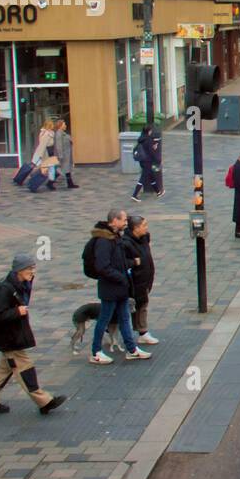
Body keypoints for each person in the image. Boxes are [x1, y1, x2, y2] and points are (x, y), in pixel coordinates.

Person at [0, 253, 67, 415]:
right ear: (19, 270)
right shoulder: (6, 290)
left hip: (11, 336)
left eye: (33, 268)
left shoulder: (18, 285)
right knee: (25, 369)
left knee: (5, 369)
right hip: (9, 339)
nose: (32, 272)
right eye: (29, 269)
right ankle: (44, 401)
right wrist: (16, 312)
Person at [87, 208, 149, 364]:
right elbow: (103, 266)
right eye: (123, 220)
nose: (126, 223)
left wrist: (130, 265)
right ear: (114, 220)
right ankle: (96, 352)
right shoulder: (103, 240)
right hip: (110, 288)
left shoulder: (115, 237)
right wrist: (120, 277)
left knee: (125, 318)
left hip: (120, 287)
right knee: (104, 319)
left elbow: (119, 261)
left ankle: (131, 349)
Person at [123, 214, 158, 345]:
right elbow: (122, 262)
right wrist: (134, 262)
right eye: (144, 225)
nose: (146, 228)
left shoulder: (143, 238)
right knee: (132, 307)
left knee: (142, 305)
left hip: (145, 279)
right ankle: (110, 331)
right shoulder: (126, 243)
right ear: (136, 228)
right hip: (134, 282)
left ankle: (142, 332)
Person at [131, 125, 163, 200]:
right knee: (143, 178)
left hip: (142, 160)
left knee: (151, 176)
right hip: (148, 161)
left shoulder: (141, 139)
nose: (151, 132)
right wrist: (158, 159)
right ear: (148, 131)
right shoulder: (148, 140)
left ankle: (158, 192)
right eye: (151, 131)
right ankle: (134, 195)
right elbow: (151, 152)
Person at [54, 118, 77, 189]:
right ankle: (50, 181)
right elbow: (59, 145)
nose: (66, 125)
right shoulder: (58, 134)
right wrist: (60, 156)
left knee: (66, 169)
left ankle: (70, 184)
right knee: (63, 169)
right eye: (64, 124)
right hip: (64, 155)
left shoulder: (63, 133)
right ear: (60, 125)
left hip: (66, 154)